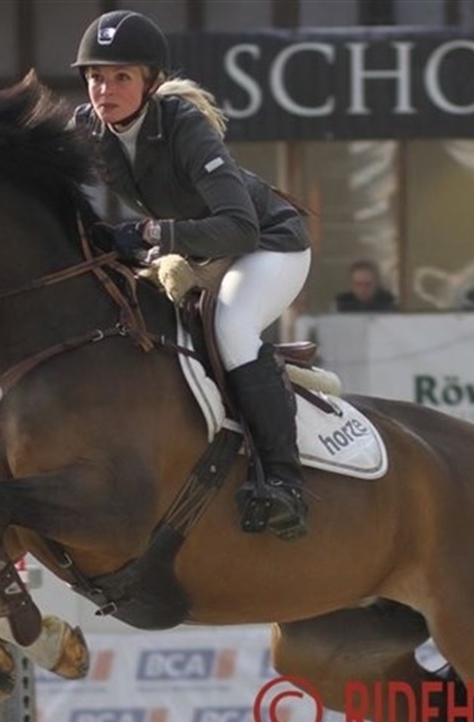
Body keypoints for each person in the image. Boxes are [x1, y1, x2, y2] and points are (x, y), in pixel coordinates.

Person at [71, 10, 313, 540]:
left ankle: (285, 483)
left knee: (231, 327)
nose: (104, 90)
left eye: (121, 77)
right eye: (95, 77)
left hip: (269, 245)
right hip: (204, 250)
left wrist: (152, 233)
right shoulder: (88, 126)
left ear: (151, 82)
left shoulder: (184, 126)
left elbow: (240, 228)